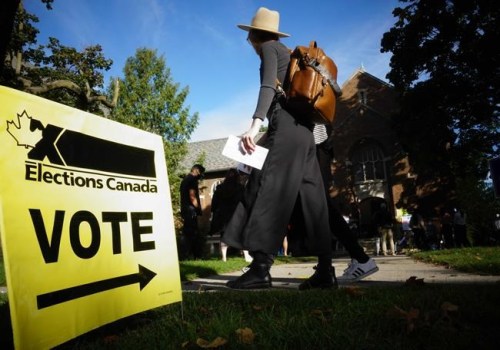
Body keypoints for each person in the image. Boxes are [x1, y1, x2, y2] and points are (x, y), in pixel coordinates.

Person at [222, 7, 335, 290]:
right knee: (314, 200)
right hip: (305, 133)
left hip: (284, 129)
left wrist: (254, 125)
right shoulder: (288, 52)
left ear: (253, 36)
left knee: (265, 189)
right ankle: (325, 271)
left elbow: (266, 88)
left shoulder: (270, 50)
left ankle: (260, 268)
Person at [314, 124, 379, 282]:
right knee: (319, 205)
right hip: (315, 144)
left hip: (312, 144)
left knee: (320, 205)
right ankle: (351, 260)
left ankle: (356, 260)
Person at [209, 168, 252, 262]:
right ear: (237, 177)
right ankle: (246, 256)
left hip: (223, 215)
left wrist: (213, 212)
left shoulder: (220, 188)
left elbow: (214, 202)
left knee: (224, 235)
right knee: (240, 234)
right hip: (236, 214)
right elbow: (245, 201)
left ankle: (224, 257)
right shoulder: (240, 188)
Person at [179, 164, 205, 259]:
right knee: (192, 233)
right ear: (197, 171)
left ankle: (185, 255)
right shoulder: (192, 180)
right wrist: (198, 209)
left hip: (185, 209)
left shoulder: (185, 180)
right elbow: (192, 196)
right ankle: (194, 255)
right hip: (191, 210)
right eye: (201, 173)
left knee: (186, 233)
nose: (201, 175)